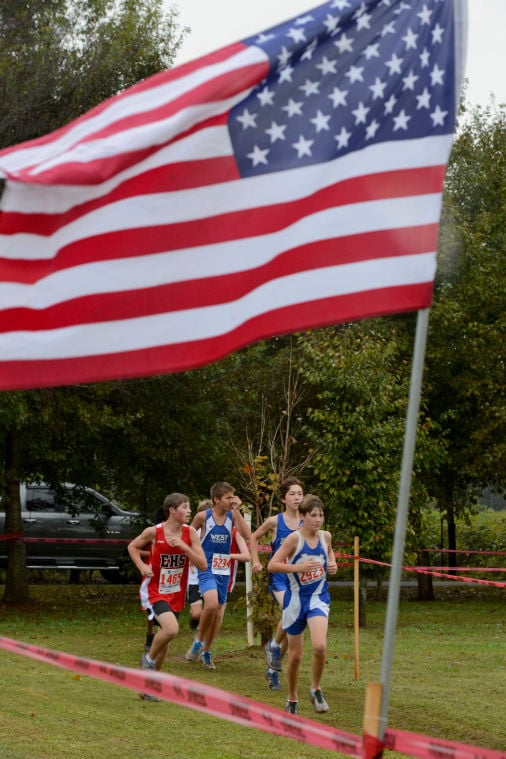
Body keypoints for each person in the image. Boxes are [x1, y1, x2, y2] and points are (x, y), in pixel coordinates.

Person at [128, 492, 207, 700]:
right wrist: (142, 565)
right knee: (171, 630)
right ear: (172, 511)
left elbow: (202, 564)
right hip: (156, 591)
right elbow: (133, 547)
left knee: (166, 643)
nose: (189, 511)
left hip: (176, 593)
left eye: (190, 507)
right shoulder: (154, 532)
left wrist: (183, 547)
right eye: (185, 507)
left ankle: (149, 687)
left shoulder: (190, 534)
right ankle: (148, 659)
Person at [267, 494, 337, 715]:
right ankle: (292, 698)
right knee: (296, 656)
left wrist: (332, 563)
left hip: (318, 598)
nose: (318, 519)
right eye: (313, 515)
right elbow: (273, 565)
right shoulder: (294, 540)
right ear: (303, 517)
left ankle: (316, 688)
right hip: (295, 601)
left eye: (321, 515)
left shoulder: (326, 537)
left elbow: (330, 553)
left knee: (320, 646)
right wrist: (298, 569)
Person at [185, 482, 251, 670]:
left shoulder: (232, 517)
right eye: (228, 498)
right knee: (211, 604)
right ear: (216, 499)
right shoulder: (203, 517)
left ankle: (206, 650)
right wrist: (190, 555)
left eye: (233, 497)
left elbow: (247, 535)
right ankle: (198, 642)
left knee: (216, 614)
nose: (232, 500)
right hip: (206, 568)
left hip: (223, 572)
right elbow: (188, 534)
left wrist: (237, 511)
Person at [249, 476, 304, 690]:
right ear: (283, 498)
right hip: (279, 578)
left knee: (294, 628)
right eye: (292, 494)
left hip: (299, 579)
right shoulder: (275, 522)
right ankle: (273, 647)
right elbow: (253, 537)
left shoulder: (307, 521)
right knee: (291, 611)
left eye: (300, 494)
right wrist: (255, 561)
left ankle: (273, 668)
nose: (297, 498)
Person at [139, 505, 167, 652]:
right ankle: (150, 634)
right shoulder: (152, 533)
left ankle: (163, 633)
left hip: (167, 574)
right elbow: (136, 549)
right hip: (151, 572)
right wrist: (151, 555)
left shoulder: (174, 532)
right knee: (149, 607)